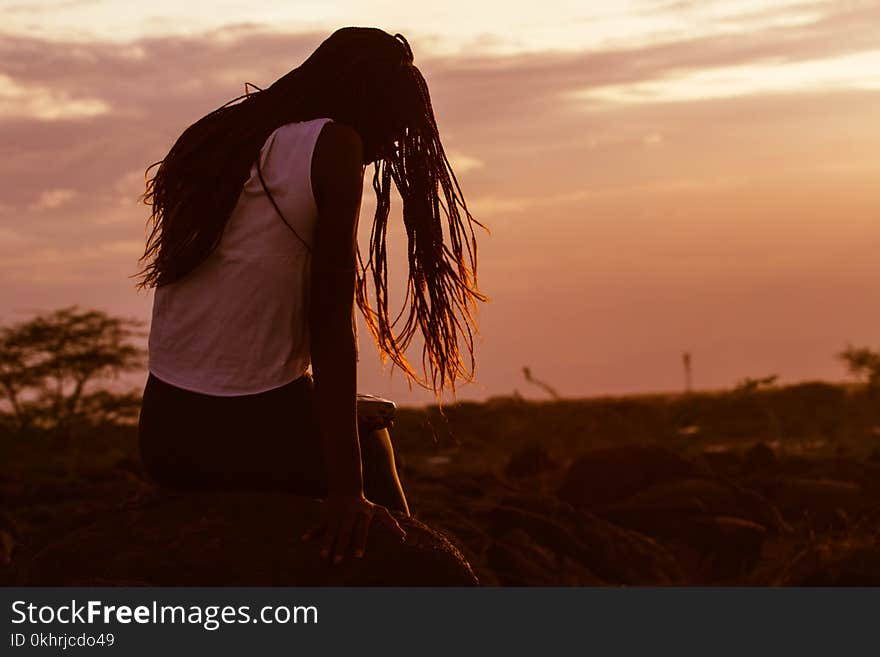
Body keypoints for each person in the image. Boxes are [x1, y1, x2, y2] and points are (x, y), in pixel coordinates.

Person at [134, 27, 488, 564]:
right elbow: (328, 321)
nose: (391, 146)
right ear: (364, 102)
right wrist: (348, 492)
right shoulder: (332, 145)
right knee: (375, 454)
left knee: (354, 410)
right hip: (245, 429)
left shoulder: (214, 137)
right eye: (392, 125)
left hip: (166, 434)